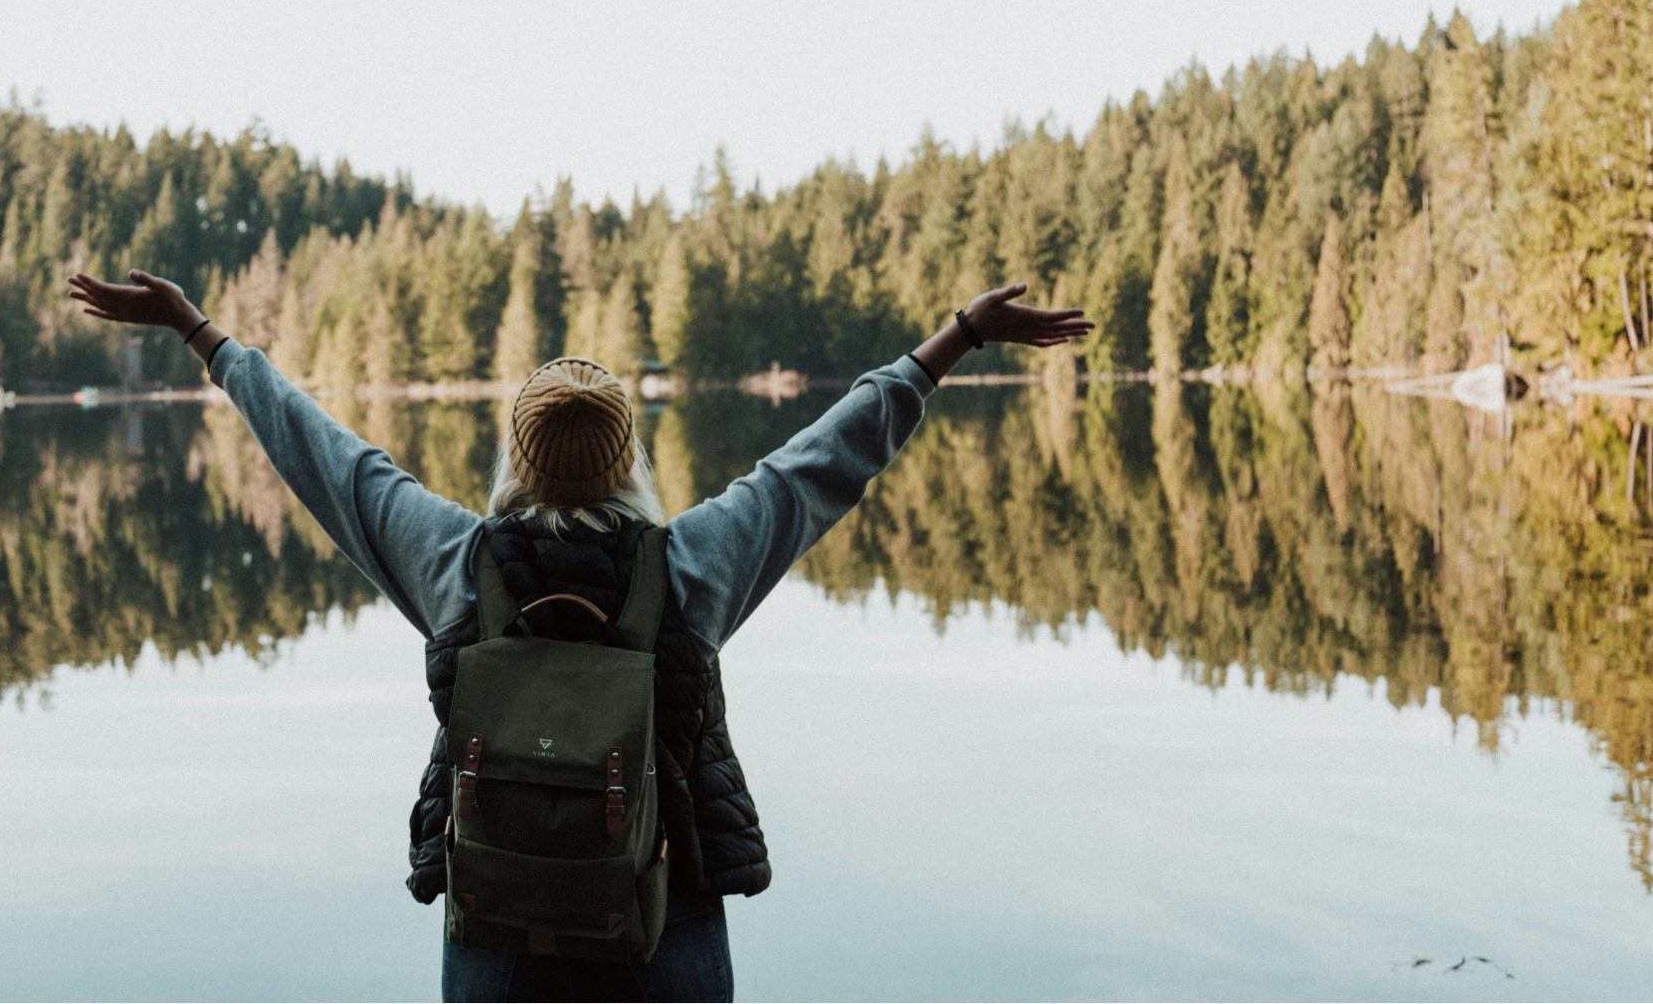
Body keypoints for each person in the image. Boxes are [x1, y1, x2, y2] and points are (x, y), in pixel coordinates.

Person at [67, 267, 1091, 1003]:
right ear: (625, 459)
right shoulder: (689, 567)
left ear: (515, 455)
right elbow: (824, 458)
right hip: (663, 909)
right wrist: (957, 334)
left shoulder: (455, 564)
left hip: (502, 915)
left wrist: (200, 333)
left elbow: (322, 456)